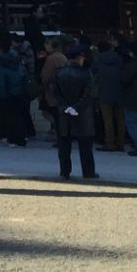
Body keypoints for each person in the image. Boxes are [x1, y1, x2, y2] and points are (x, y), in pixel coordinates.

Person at [51, 43, 101, 180]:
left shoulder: (59, 73)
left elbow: (55, 93)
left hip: (63, 111)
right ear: (81, 57)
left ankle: (65, 171)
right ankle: (88, 172)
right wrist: (77, 107)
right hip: (83, 113)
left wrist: (65, 105)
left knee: (64, 144)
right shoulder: (86, 73)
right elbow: (89, 95)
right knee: (85, 146)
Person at [0, 35, 30, 146]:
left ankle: (13, 139)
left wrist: (1, 96)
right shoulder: (17, 60)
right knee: (19, 116)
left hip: (8, 93)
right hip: (20, 90)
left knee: (9, 117)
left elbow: (1, 82)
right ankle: (21, 138)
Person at [94, 39, 126, 152]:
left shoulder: (98, 61)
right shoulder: (119, 59)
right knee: (120, 120)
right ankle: (121, 142)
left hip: (104, 93)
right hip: (119, 92)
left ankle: (109, 143)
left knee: (108, 121)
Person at [38, 37, 69, 142]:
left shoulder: (51, 59)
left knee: (51, 113)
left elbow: (46, 76)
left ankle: (60, 134)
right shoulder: (63, 57)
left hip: (52, 90)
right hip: (62, 89)